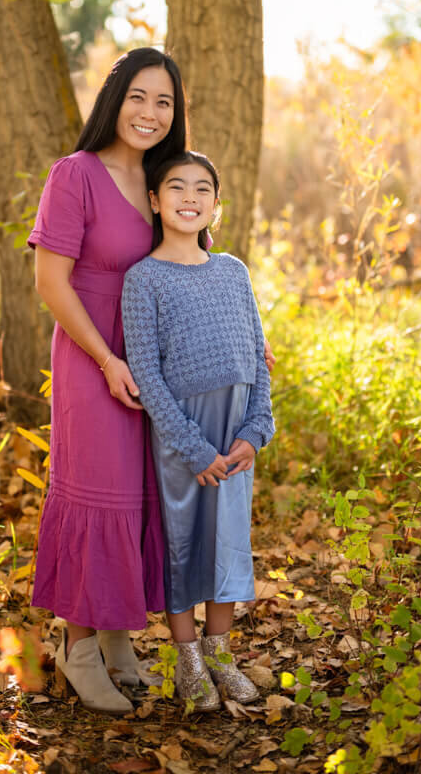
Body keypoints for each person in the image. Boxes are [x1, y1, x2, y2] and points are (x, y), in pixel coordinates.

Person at [27, 47, 189, 715]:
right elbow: (50, 283)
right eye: (138, 97)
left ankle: (119, 640)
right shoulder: (75, 175)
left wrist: (242, 343)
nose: (150, 112)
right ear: (113, 100)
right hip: (93, 357)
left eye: (164, 101)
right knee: (98, 496)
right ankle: (78, 648)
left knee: (140, 495)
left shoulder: (165, 179)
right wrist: (106, 361)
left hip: (151, 360)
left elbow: (194, 268)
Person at [121, 151, 275, 711]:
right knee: (183, 543)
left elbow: (257, 357)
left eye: (202, 188)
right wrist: (190, 446)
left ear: (216, 204)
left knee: (228, 543)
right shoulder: (144, 278)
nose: (190, 197)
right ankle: (187, 660)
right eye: (176, 187)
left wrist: (256, 429)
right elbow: (146, 372)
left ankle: (220, 654)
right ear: (154, 201)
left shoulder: (233, 271)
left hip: (235, 431)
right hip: (182, 434)